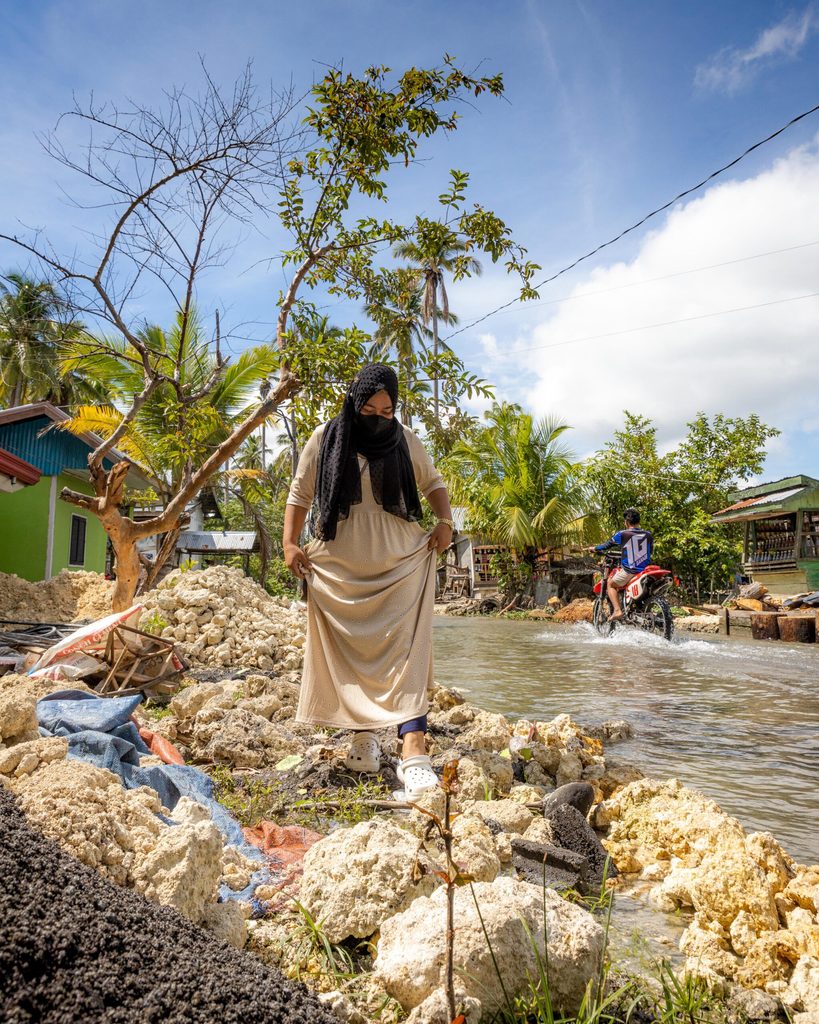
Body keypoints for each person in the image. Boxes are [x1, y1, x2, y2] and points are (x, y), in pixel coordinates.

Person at [282, 364, 454, 800]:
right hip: (339, 561)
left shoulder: (405, 440)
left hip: (400, 559)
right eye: (369, 408)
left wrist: (445, 521)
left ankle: (414, 750)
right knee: (350, 652)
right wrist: (288, 543)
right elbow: (300, 494)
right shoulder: (325, 438)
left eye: (388, 409)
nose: (379, 417)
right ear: (354, 402)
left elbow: (432, 483)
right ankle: (363, 739)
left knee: (407, 648)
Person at [591, 508, 653, 621]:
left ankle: (618, 610)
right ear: (639, 521)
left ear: (626, 522)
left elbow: (606, 545)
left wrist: (594, 548)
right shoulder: (648, 534)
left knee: (610, 584)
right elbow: (650, 551)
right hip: (646, 570)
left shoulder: (622, 534)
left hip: (630, 571)